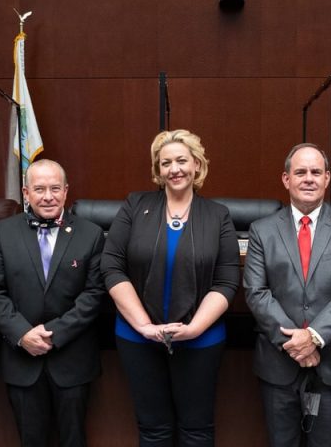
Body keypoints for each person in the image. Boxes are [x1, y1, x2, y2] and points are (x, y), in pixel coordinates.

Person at [101, 129, 240, 446]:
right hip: (137, 338)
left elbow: (227, 279)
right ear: (158, 170)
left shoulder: (218, 215)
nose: (174, 169)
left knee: (197, 430)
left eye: (181, 160)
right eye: (166, 163)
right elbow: (111, 266)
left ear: (196, 165)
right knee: (153, 430)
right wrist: (145, 326)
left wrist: (194, 329)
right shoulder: (136, 205)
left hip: (201, 340)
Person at [244, 143, 331, 447]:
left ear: (327, 178)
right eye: (300, 172)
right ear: (286, 179)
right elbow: (256, 291)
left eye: (316, 172)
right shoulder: (262, 230)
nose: (308, 178)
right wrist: (295, 343)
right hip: (278, 360)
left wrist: (313, 336)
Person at [0, 159, 105, 447]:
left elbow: (94, 294)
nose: (47, 196)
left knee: (74, 440)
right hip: (22, 359)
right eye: (39, 189)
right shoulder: (3, 232)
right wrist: (22, 334)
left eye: (54, 188)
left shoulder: (91, 234)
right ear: (26, 193)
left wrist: (55, 334)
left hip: (72, 358)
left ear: (65, 191)